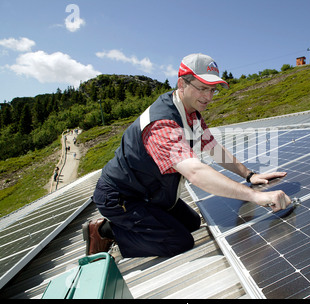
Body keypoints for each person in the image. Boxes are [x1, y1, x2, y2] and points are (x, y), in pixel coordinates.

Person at [83, 53, 291, 259]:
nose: (208, 97)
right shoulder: (161, 124)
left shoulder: (191, 114)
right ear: (181, 83)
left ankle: (137, 224)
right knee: (179, 241)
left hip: (149, 192)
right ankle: (105, 231)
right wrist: (256, 196)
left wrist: (249, 175)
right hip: (121, 196)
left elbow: (213, 147)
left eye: (212, 90)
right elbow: (194, 172)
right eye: (202, 88)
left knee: (192, 223)